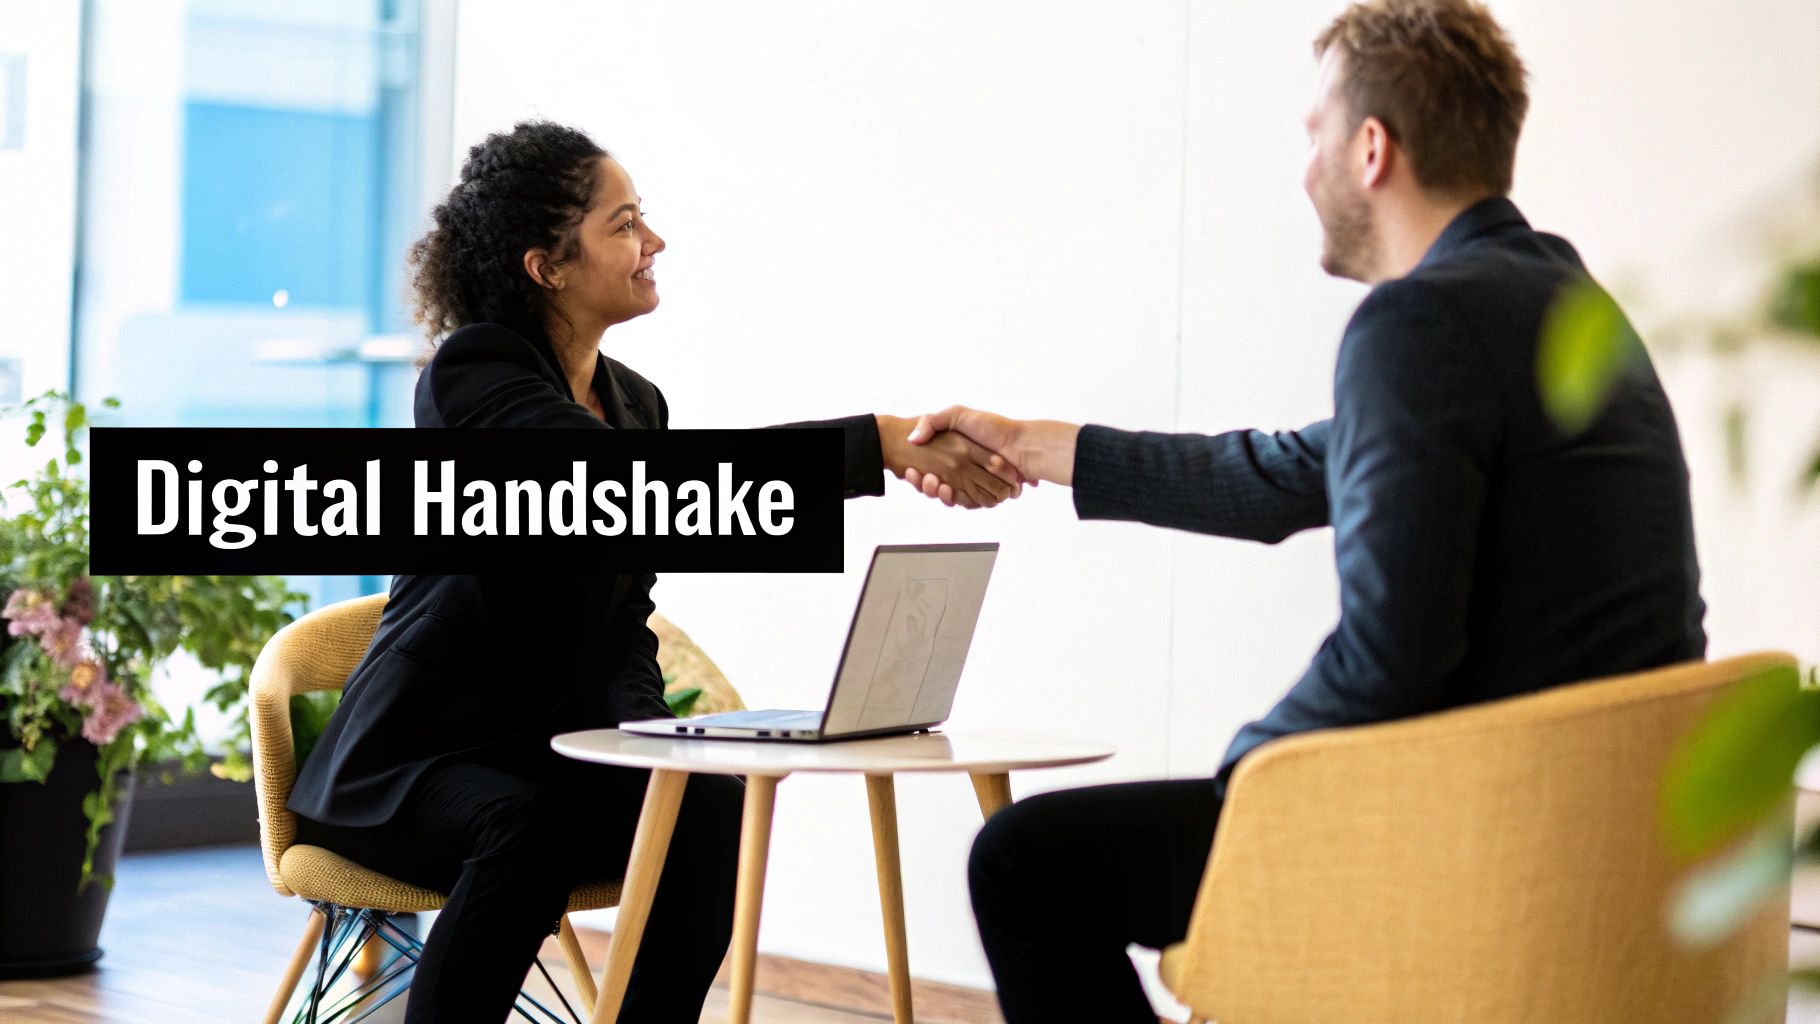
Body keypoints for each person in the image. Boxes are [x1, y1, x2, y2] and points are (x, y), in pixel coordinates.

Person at [905, 2, 1707, 1020]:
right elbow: (1281, 473)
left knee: (1024, 862)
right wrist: (1033, 447)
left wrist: (1251, 773)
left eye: (1312, 135)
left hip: (1473, 833)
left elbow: (1393, 654)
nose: (1303, 168)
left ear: (1371, 148)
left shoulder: (1415, 323)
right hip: (1596, 836)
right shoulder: (1560, 306)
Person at [285, 120, 1019, 1024]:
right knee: (527, 828)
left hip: (549, 759)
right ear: (546, 266)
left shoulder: (638, 405)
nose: (654, 243)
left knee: (703, 804)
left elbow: (621, 609)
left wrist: (662, 746)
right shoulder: (473, 378)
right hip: (416, 763)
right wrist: (870, 443)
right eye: (624, 224)